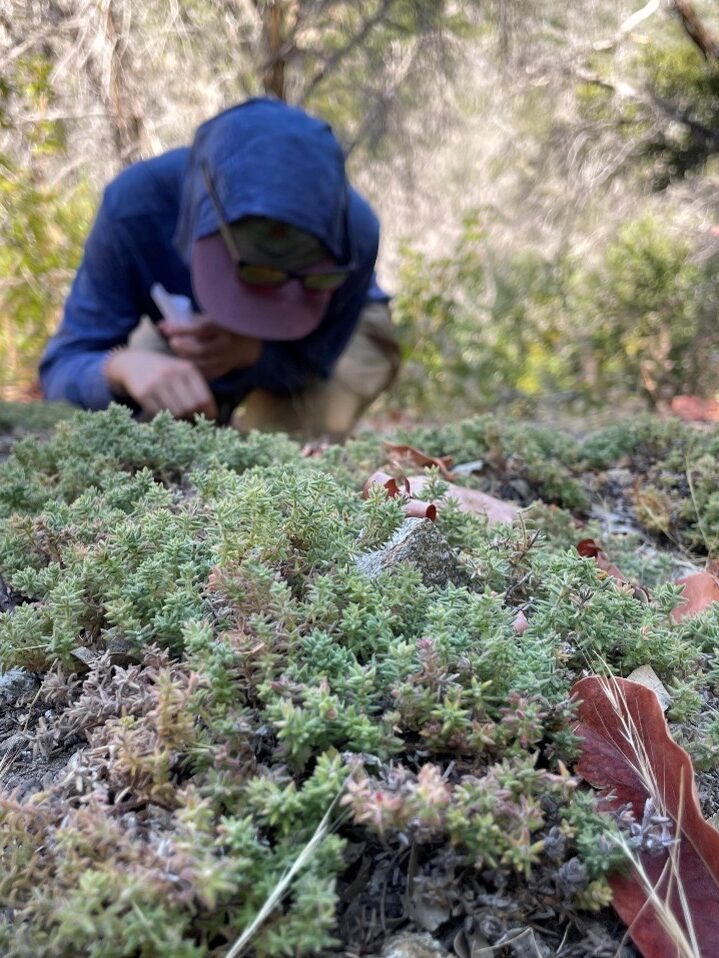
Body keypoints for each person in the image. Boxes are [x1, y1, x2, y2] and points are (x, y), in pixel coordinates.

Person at [39, 98, 400, 440]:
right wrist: (120, 368)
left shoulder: (358, 231)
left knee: (279, 449)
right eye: (256, 272)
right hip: (188, 325)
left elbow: (313, 364)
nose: (277, 290)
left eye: (311, 276)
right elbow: (63, 364)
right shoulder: (136, 209)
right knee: (155, 429)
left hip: (345, 329)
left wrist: (256, 354)